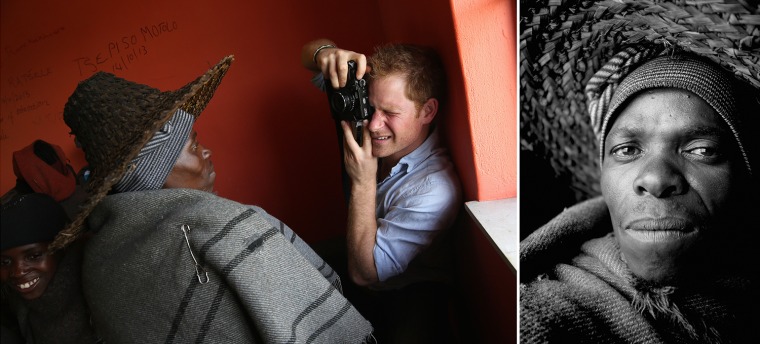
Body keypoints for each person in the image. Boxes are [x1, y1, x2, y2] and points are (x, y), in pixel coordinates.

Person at [47, 55, 374, 343]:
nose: (206, 152)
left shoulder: (97, 259)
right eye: (191, 145)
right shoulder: (225, 225)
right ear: (151, 171)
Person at [520, 48, 759, 343]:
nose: (656, 180)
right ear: (603, 173)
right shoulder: (538, 315)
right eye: (627, 150)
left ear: (745, 175)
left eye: (703, 150)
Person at [301, 39, 462, 342]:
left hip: (412, 292)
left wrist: (362, 182)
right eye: (371, 107)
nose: (374, 125)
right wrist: (328, 54)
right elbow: (307, 54)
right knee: (286, 259)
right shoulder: (369, 113)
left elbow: (366, 273)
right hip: (356, 257)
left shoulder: (435, 189)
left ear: (427, 111)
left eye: (390, 112)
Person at [1, 193, 100, 343]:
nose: (18, 271)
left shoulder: (99, 292)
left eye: (34, 256)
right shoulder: (15, 303)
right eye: (4, 262)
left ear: (63, 248)